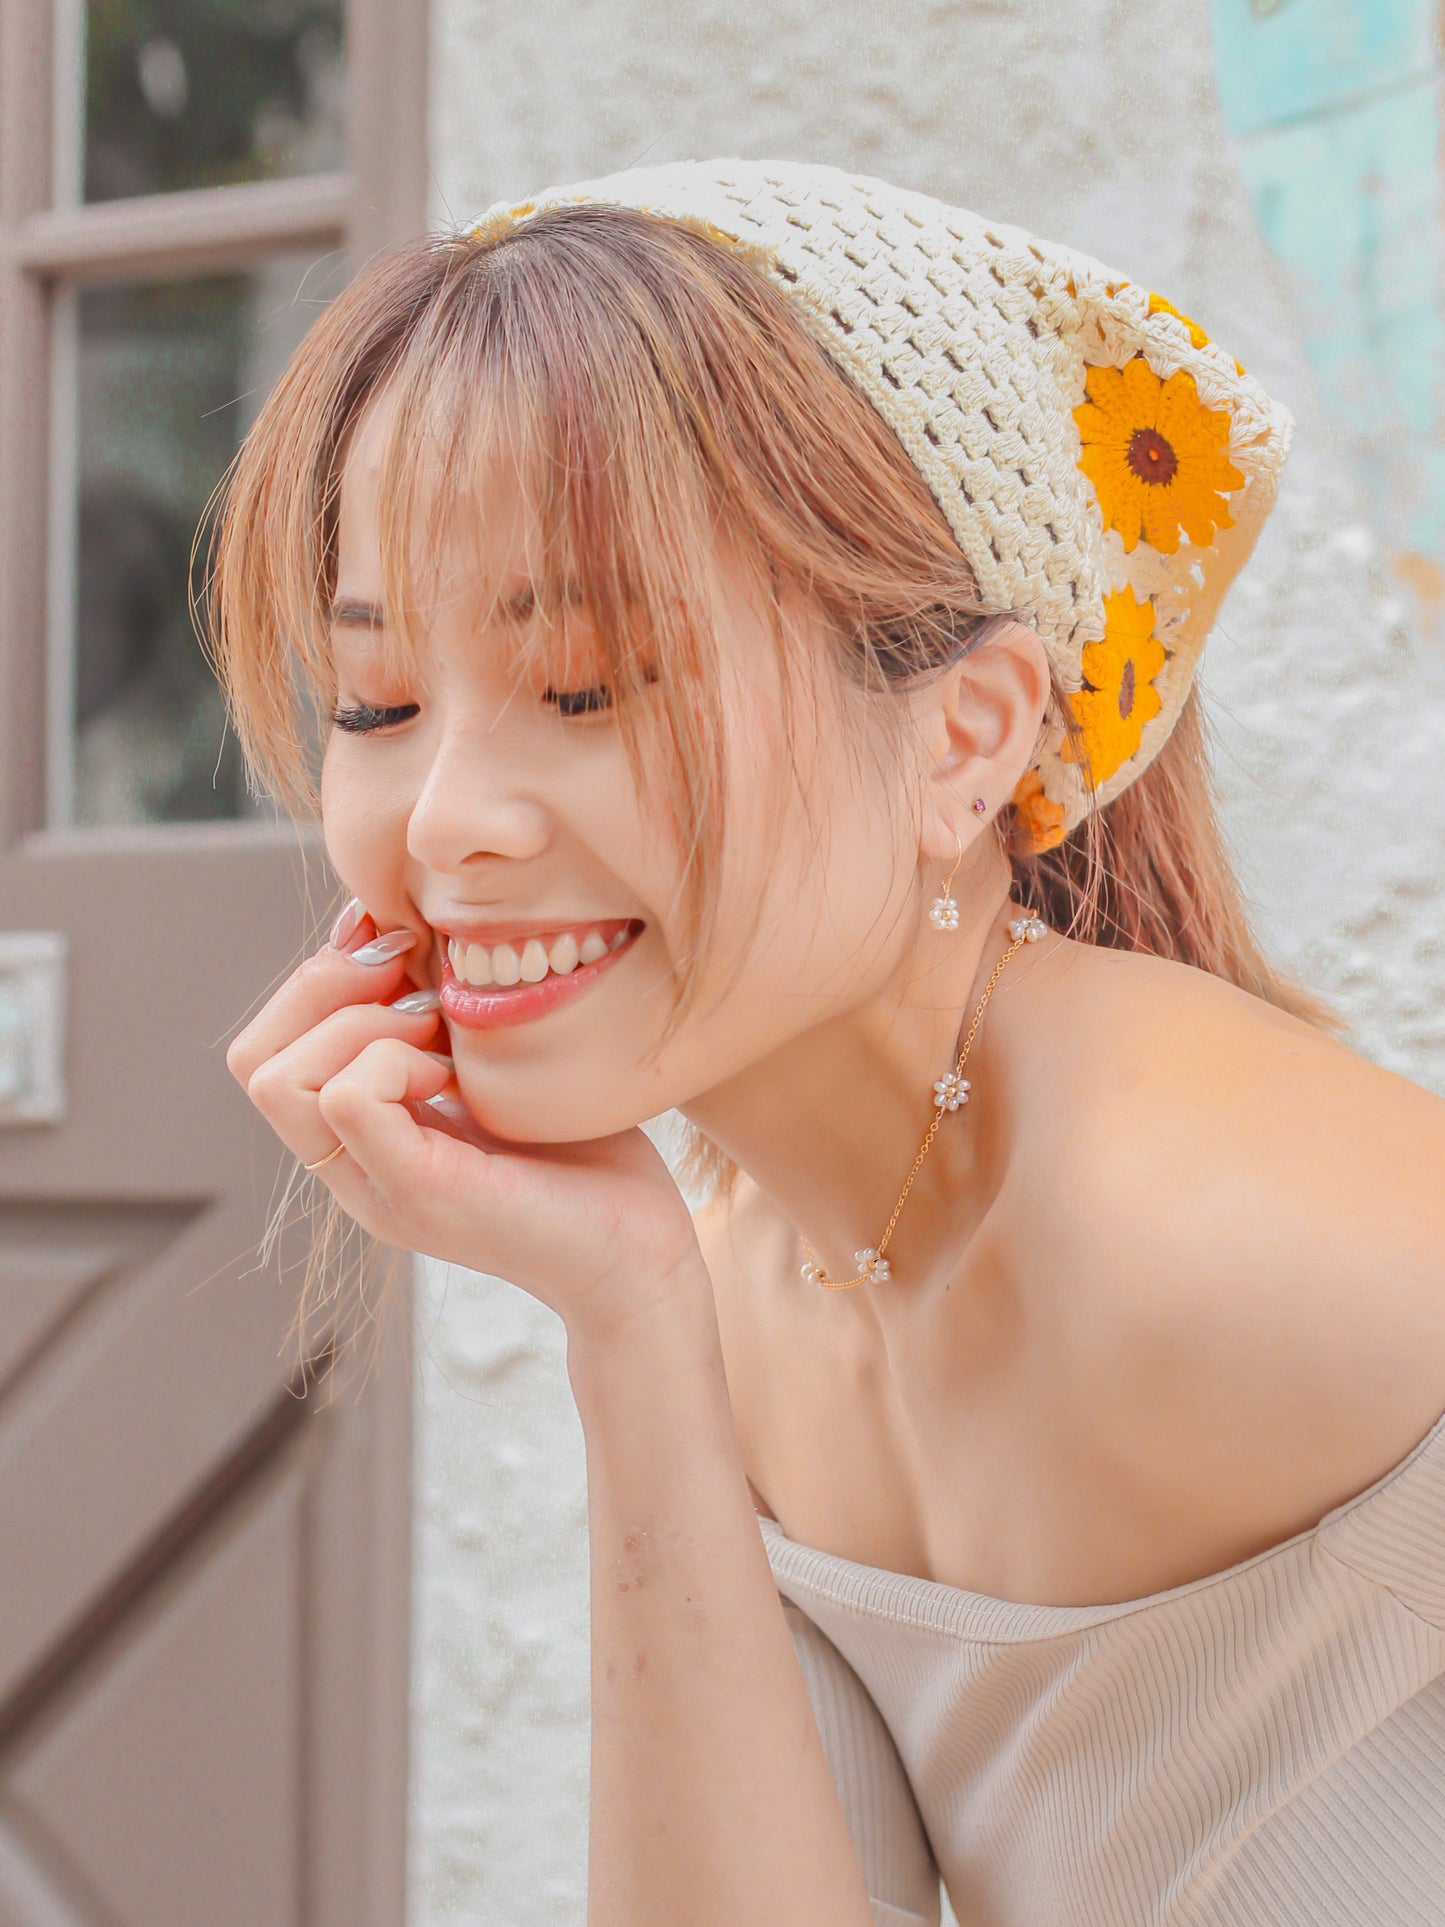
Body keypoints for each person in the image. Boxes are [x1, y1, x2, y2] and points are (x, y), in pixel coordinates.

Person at [215, 161, 1445, 1925]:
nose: (448, 822)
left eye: (586, 687)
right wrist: (630, 1324)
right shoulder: (747, 1277)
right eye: (379, 704)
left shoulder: (1220, 1231)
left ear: (964, 739)